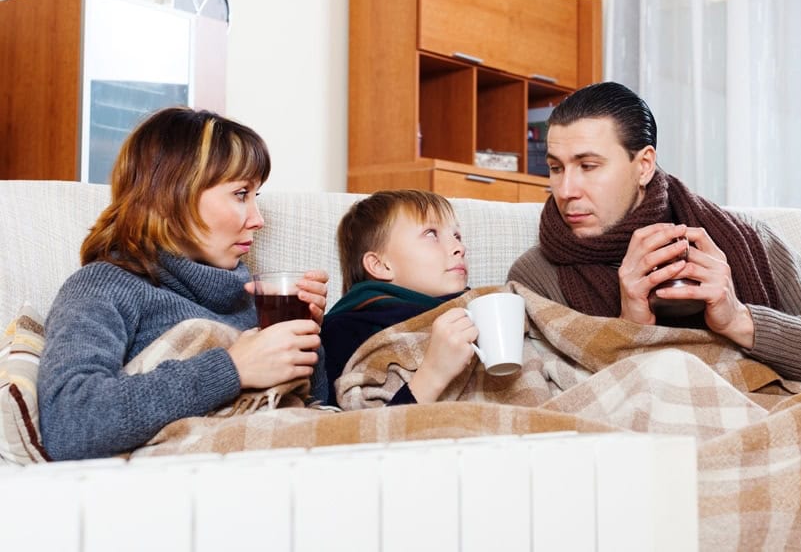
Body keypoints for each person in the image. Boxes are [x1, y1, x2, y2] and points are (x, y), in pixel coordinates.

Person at [508, 81, 801, 385]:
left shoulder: (741, 239)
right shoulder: (536, 275)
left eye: (588, 166)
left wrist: (739, 318)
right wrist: (630, 328)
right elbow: (551, 393)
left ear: (643, 166)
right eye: (556, 168)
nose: (565, 190)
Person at [37, 107, 330, 461]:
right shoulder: (105, 286)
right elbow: (69, 423)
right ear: (171, 194)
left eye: (257, 197)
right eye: (241, 194)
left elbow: (316, 411)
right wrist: (232, 368)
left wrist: (306, 339)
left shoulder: (255, 300)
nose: (258, 219)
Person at [320, 189, 478, 407]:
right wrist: (432, 374)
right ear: (381, 265)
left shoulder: (479, 306)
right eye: (431, 234)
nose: (460, 248)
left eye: (457, 236)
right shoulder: (345, 330)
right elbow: (355, 431)